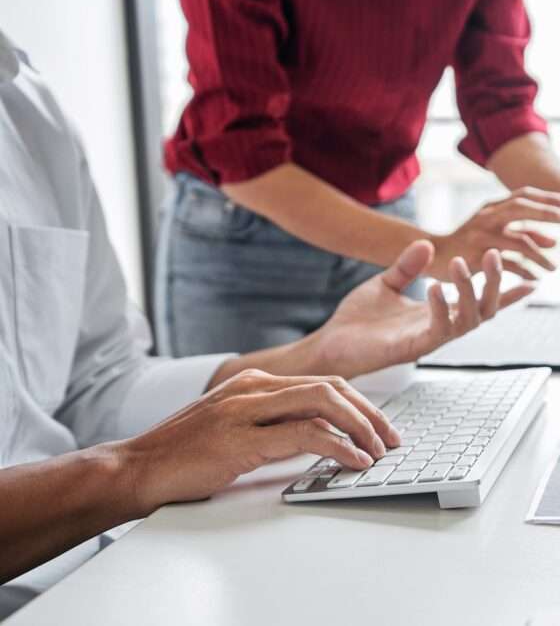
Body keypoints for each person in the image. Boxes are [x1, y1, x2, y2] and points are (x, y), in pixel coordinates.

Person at [0, 30, 530, 617]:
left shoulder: (28, 111)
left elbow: (96, 381)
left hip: (97, 561)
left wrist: (317, 356)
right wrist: (134, 469)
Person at [156, 0, 560, 357]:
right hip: (244, 245)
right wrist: (436, 248)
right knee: (237, 485)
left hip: (390, 234)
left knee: (385, 468)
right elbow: (243, 152)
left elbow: (499, 103)